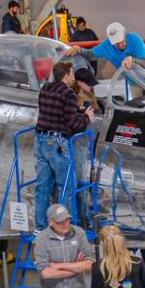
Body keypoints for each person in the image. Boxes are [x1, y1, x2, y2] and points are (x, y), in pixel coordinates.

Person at [34, 59, 88, 217]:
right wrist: (86, 117)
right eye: (71, 74)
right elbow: (73, 124)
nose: (72, 78)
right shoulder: (68, 94)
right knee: (66, 186)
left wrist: (75, 109)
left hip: (40, 141)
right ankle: (65, 226)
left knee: (42, 187)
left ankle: (40, 225)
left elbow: (52, 109)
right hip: (57, 144)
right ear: (65, 76)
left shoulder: (45, 88)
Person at [91, 21, 145, 89]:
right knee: (137, 100)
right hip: (136, 83)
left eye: (122, 41)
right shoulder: (106, 45)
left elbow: (144, 63)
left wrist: (132, 59)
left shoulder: (134, 39)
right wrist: (79, 50)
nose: (120, 45)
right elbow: (88, 53)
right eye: (116, 43)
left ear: (124, 34)